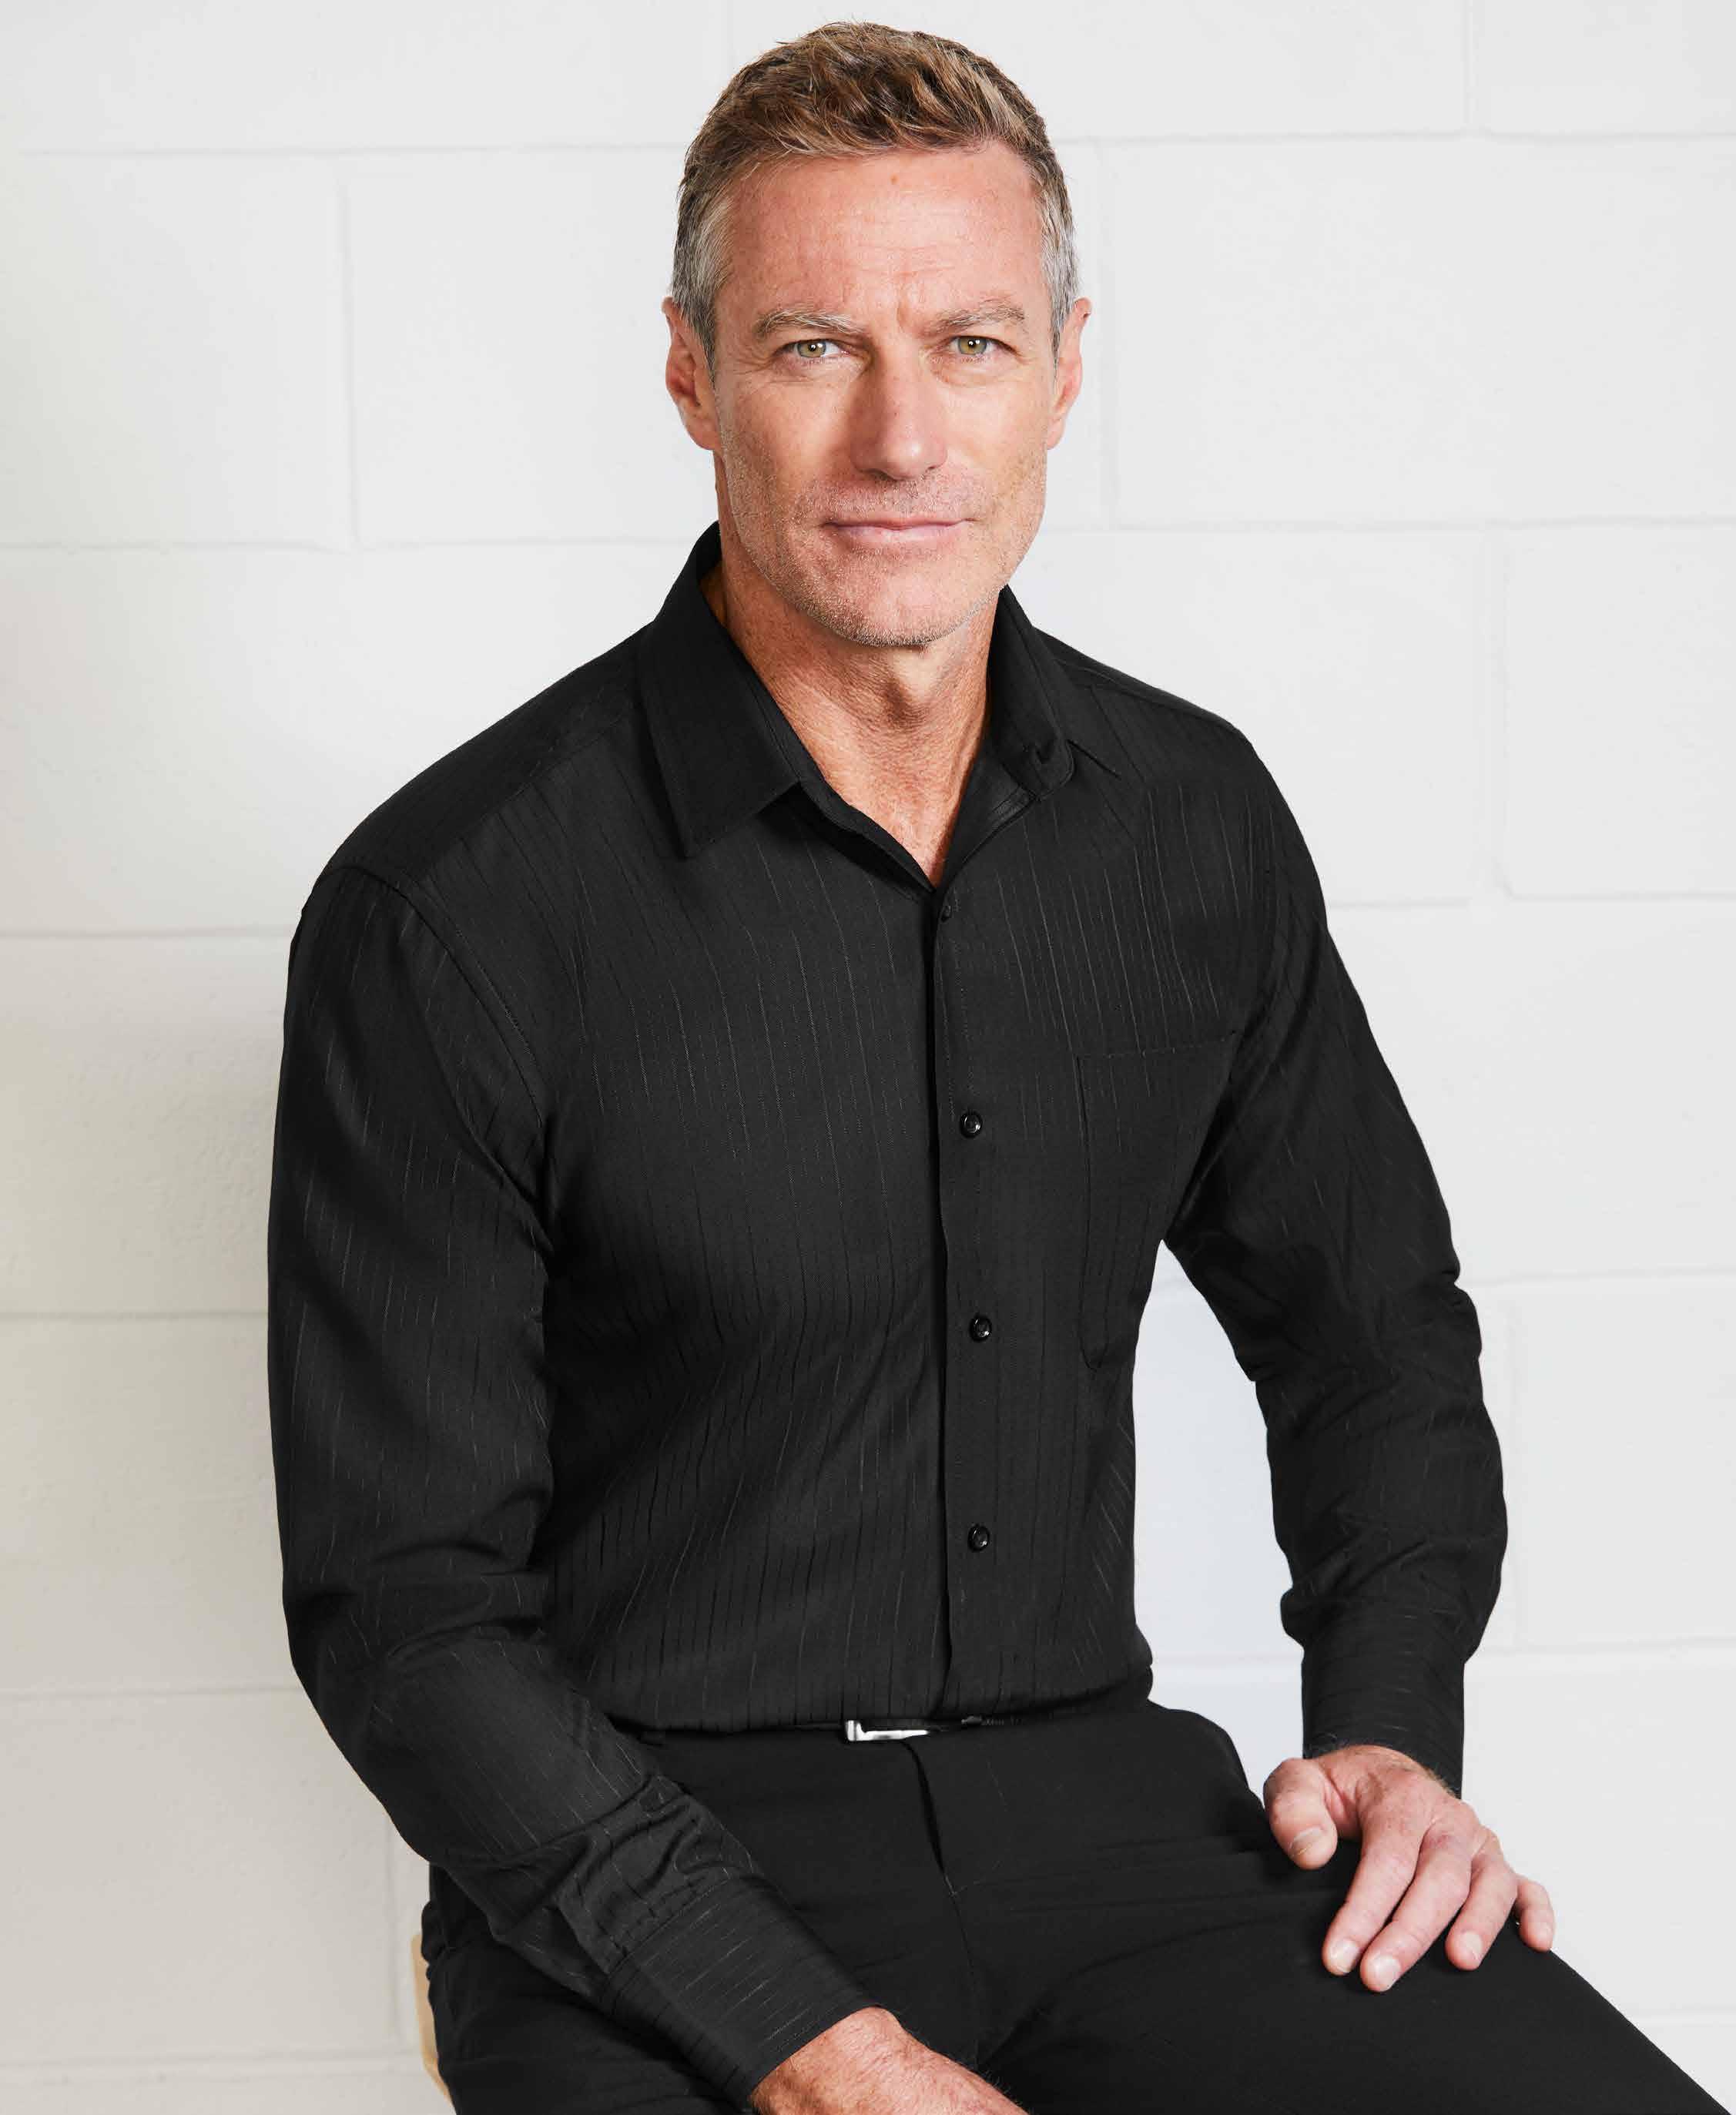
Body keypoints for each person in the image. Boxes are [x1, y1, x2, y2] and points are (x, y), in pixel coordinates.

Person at [264, 21, 1728, 2115]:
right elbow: (407, 1614)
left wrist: (1391, 1724)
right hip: (644, 1885)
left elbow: (1372, 1333)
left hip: (1115, 1828)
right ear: (688, 375)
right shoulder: (454, 908)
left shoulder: (1190, 828)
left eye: (967, 344)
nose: (900, 436)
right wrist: (808, 2044)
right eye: (811, 348)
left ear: (1063, 371)